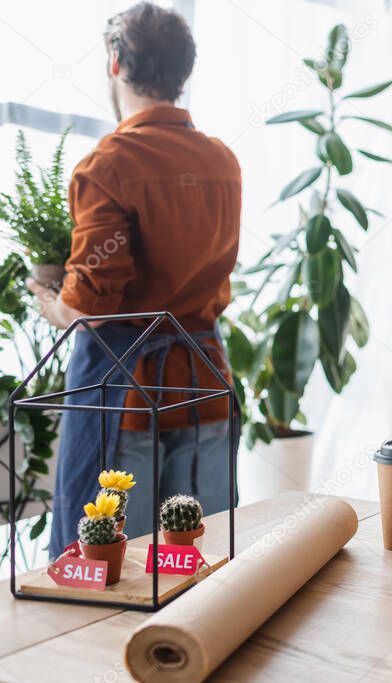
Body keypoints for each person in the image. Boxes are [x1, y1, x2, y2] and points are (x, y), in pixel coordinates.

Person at [29, 2, 241, 558]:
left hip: (128, 403)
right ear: (183, 74)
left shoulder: (109, 164)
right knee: (202, 565)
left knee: (109, 577)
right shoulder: (223, 162)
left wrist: (53, 303)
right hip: (205, 390)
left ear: (116, 64)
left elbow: (90, 310)